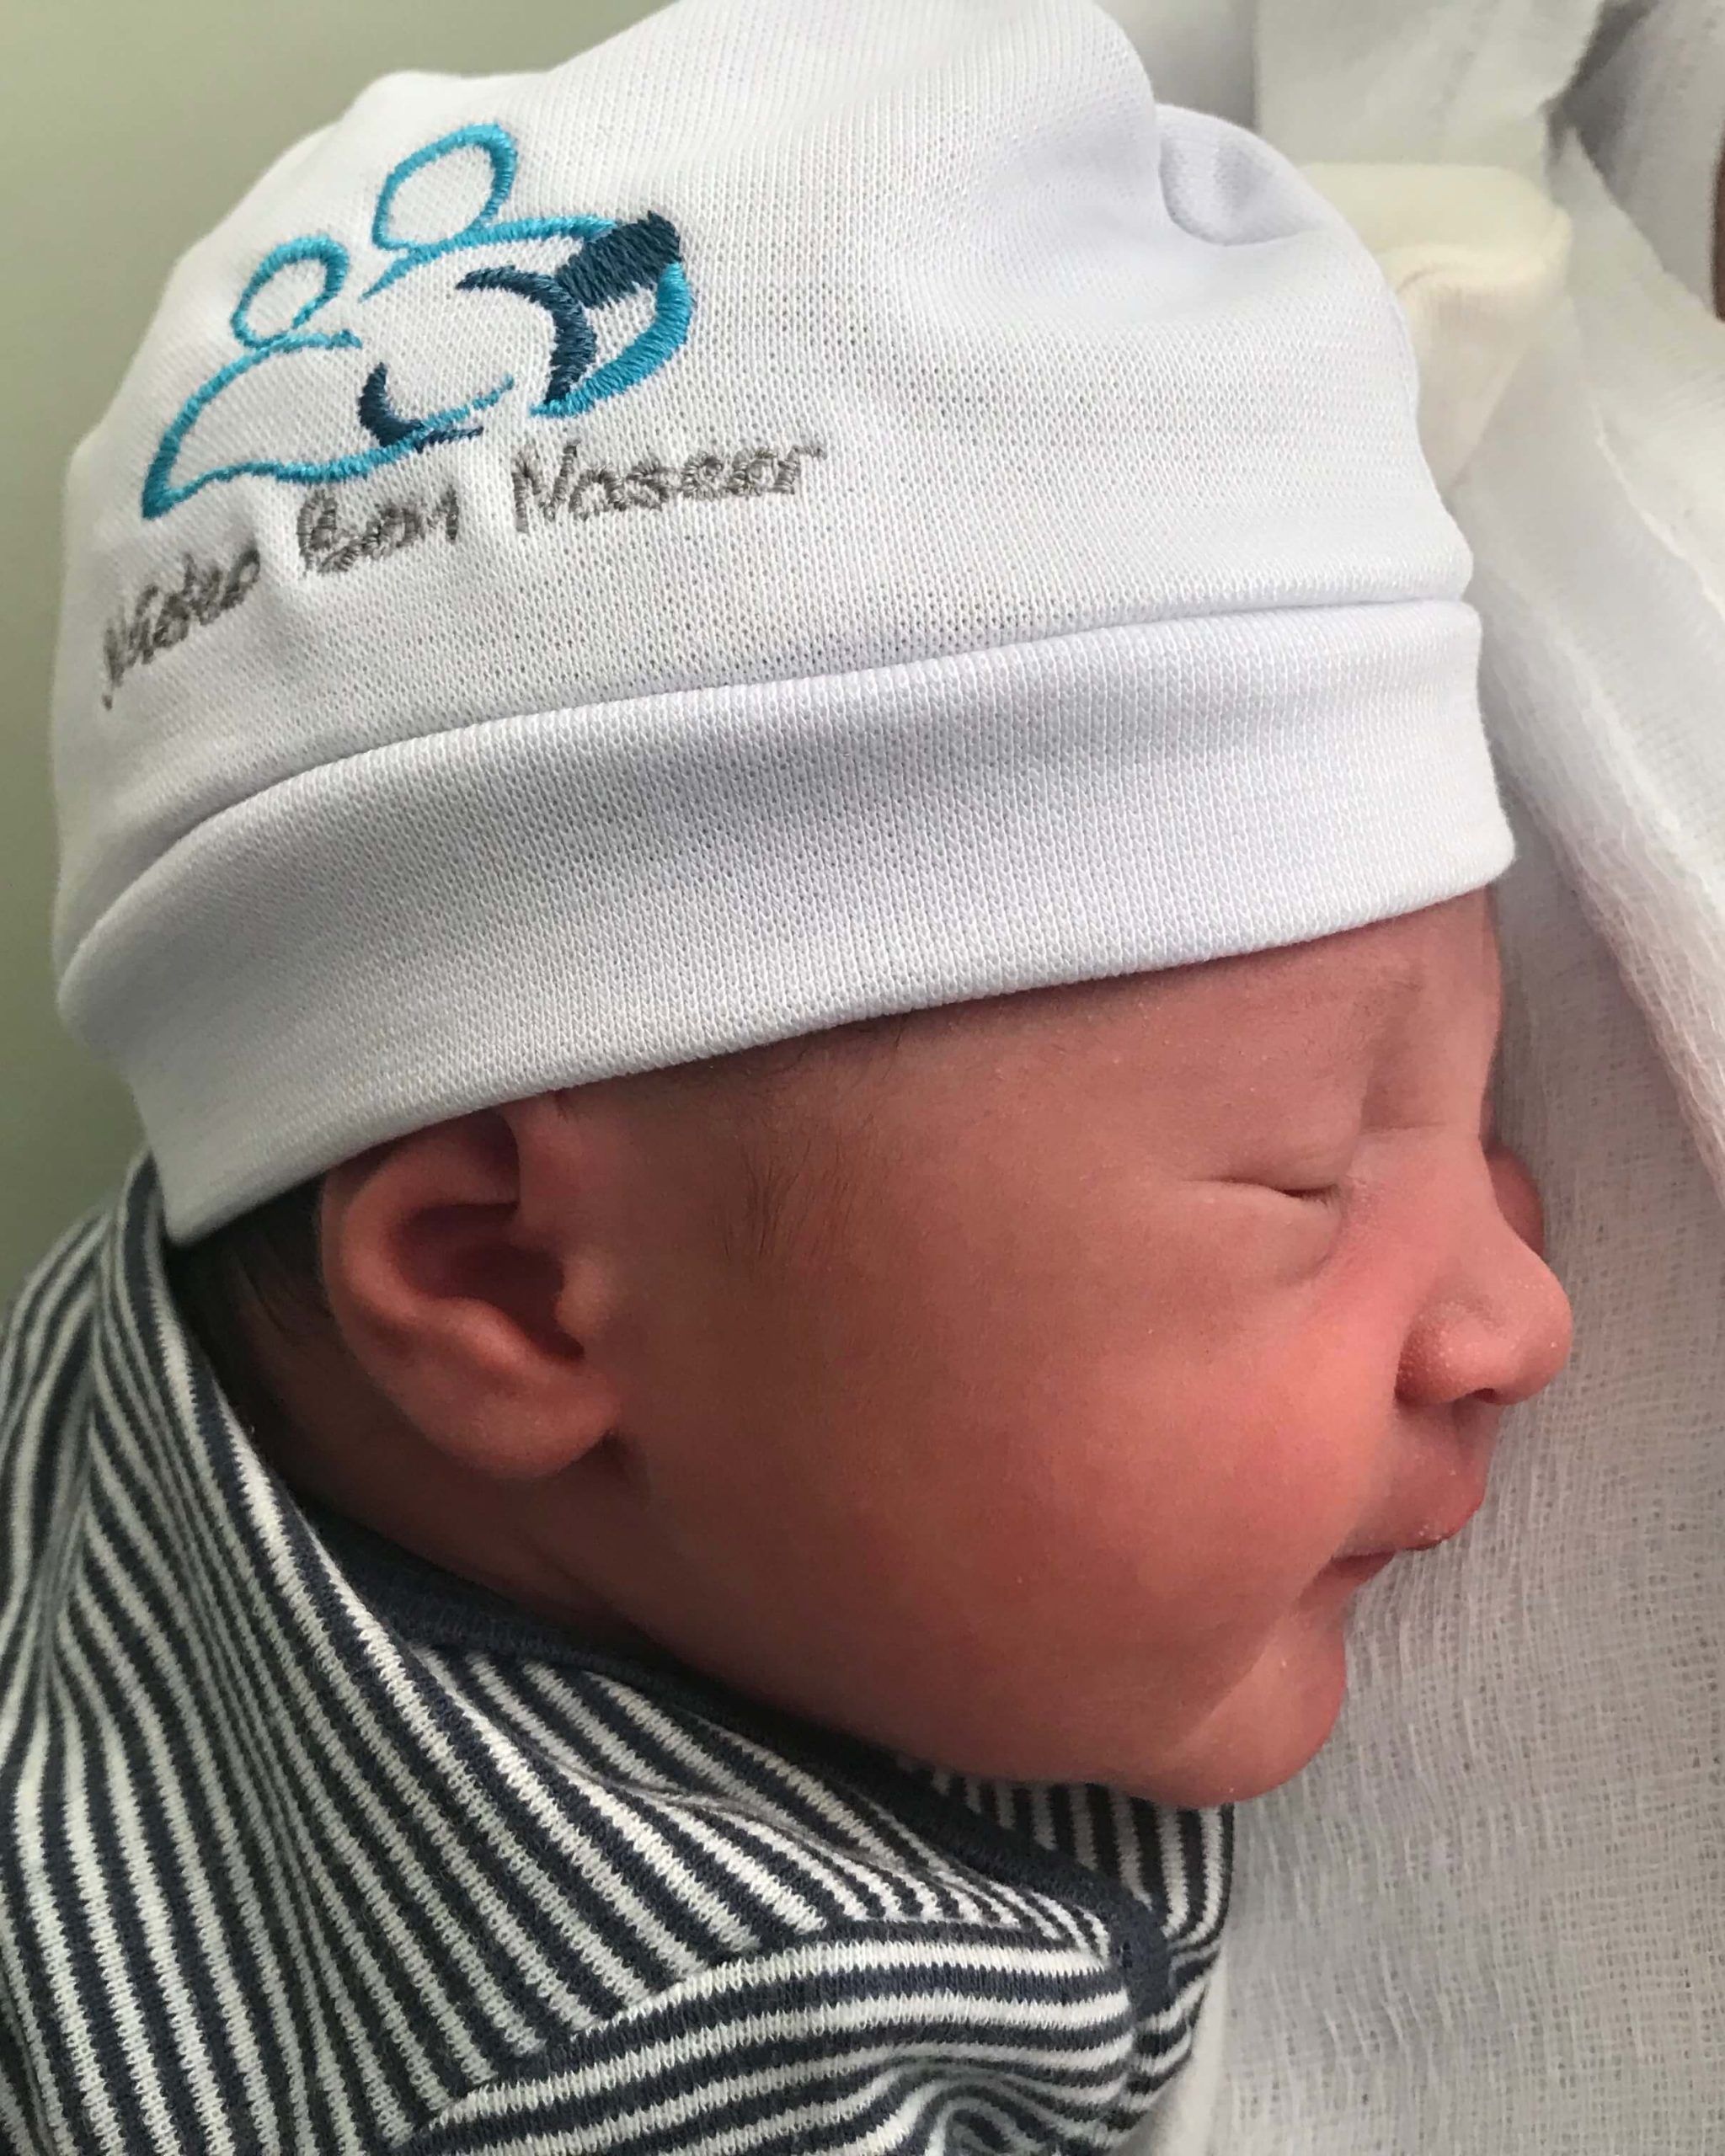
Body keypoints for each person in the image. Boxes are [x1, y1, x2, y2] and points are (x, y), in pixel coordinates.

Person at [1, 0, 1571, 2148]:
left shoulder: (229, 1289)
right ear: (507, 1281)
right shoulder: (666, 2058)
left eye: (1476, 1114)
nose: (1521, 1313)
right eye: (1307, 1177)